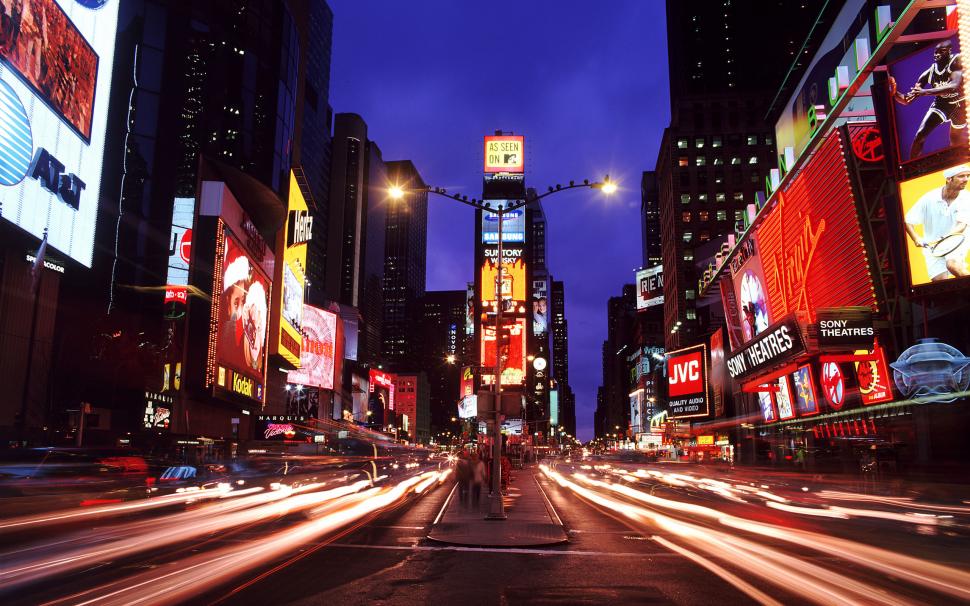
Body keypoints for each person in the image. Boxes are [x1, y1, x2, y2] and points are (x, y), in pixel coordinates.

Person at [895, 40, 967, 159]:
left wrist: (924, 92)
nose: (937, 55)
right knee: (920, 135)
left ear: (949, 52)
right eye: (935, 52)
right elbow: (906, 100)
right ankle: (914, 168)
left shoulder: (956, 61)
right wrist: (893, 92)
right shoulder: (928, 73)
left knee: (956, 140)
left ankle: (959, 161)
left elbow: (953, 87)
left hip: (960, 103)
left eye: (941, 52)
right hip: (942, 104)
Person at [904, 164, 970, 281]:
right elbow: (908, 220)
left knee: (953, 265)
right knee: (940, 284)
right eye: (961, 176)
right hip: (933, 248)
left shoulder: (967, 198)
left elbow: (961, 225)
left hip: (957, 241)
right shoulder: (929, 198)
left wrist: (944, 239)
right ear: (949, 179)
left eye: (968, 176)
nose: (966, 179)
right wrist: (916, 238)